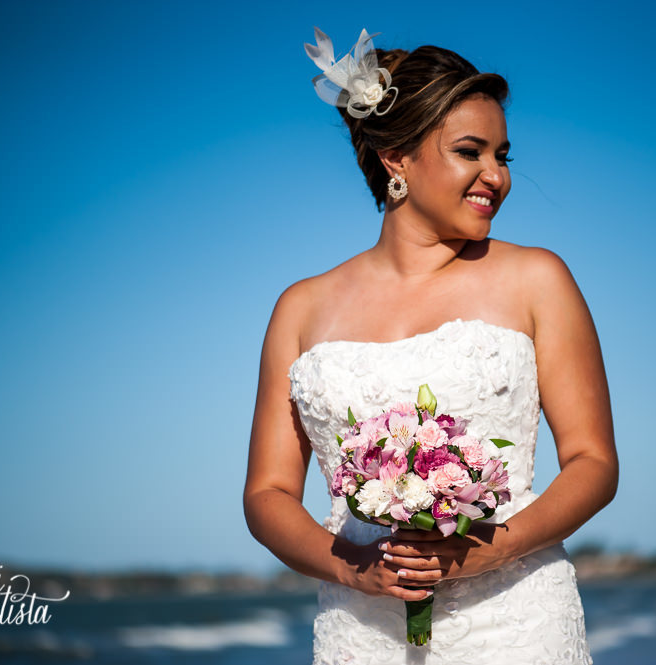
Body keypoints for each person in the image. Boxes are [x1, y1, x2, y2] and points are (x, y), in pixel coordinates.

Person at [244, 27, 618, 665]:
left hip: (517, 623)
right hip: (363, 630)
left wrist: (488, 548)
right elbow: (267, 494)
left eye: (502, 154)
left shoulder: (537, 279)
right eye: (470, 152)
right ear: (396, 157)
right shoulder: (299, 310)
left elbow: (593, 462)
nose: (495, 176)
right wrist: (353, 569)